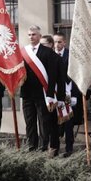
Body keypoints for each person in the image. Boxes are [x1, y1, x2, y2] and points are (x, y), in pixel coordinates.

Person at [20, 25, 62, 153]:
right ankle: (31, 148)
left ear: (39, 36)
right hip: (27, 94)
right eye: (29, 35)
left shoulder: (48, 52)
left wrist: (50, 94)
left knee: (44, 123)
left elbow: (53, 75)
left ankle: (43, 148)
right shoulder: (23, 52)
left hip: (42, 94)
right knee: (30, 123)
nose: (31, 37)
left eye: (34, 34)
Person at [54, 32, 79, 156]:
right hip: (54, 94)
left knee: (68, 122)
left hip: (68, 94)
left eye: (59, 42)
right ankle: (55, 148)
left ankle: (69, 149)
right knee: (55, 123)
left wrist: (74, 95)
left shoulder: (71, 56)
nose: (57, 44)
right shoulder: (50, 54)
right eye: (55, 42)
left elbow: (75, 76)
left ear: (64, 42)